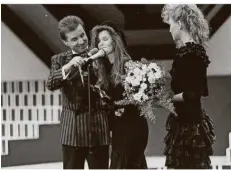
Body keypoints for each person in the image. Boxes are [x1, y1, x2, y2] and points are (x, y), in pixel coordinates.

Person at [46, 15, 110, 169]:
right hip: (72, 133)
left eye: (82, 35)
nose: (81, 41)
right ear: (65, 42)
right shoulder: (59, 60)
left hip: (99, 131)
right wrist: (68, 67)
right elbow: (51, 84)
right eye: (74, 39)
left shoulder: (100, 54)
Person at [161, 5, 216, 169]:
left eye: (170, 24)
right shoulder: (184, 51)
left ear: (179, 23)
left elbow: (194, 93)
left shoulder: (193, 53)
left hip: (190, 126)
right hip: (182, 122)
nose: (170, 29)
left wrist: (167, 98)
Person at [90, 24, 149, 169]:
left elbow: (140, 97)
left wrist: (118, 105)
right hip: (118, 128)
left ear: (114, 41)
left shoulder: (127, 64)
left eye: (105, 39)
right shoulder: (102, 70)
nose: (101, 43)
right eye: (98, 41)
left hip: (133, 126)